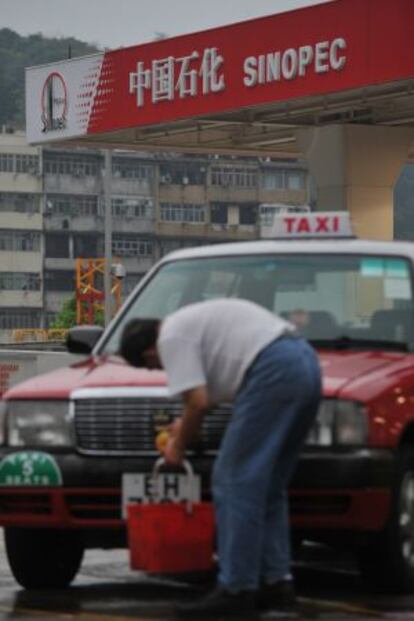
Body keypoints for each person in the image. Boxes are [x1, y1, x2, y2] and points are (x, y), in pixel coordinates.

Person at [120, 298, 321, 617]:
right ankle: (277, 583)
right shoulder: (188, 324)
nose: (161, 370)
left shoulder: (171, 337)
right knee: (268, 487)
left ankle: (236, 588)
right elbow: (205, 400)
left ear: (148, 353)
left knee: (233, 481)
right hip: (304, 362)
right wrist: (182, 427)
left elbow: (196, 403)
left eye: (154, 367)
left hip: (272, 369)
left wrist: (178, 447)